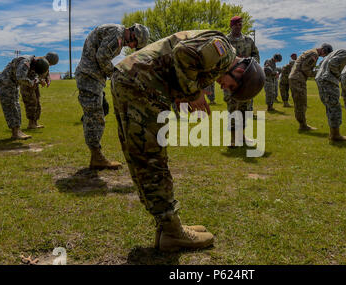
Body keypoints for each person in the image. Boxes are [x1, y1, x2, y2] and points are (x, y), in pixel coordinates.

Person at [110, 30, 265, 252]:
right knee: (151, 158)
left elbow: (177, 64)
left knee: (142, 154)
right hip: (141, 82)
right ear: (240, 70)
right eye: (231, 86)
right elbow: (183, 53)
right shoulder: (224, 51)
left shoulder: (220, 60)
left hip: (134, 79)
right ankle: (172, 232)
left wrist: (184, 94)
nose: (224, 87)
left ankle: (168, 226)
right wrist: (194, 94)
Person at [75, 23, 149, 170]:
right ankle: (96, 157)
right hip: (90, 77)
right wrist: (115, 75)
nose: (132, 47)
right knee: (95, 116)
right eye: (135, 44)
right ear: (134, 35)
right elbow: (102, 57)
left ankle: (96, 155)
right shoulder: (117, 35)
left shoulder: (116, 32)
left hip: (92, 77)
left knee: (97, 112)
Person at [225, 15, 260, 145]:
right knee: (233, 108)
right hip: (231, 80)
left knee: (245, 108)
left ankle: (242, 137)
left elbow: (255, 54)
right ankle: (233, 139)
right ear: (231, 25)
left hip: (246, 80)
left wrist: (252, 65)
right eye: (236, 24)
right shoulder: (225, 41)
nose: (239, 26)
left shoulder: (248, 40)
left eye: (240, 24)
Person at [0, 55, 49, 140]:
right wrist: (32, 83)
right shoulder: (26, 62)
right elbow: (21, 77)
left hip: (13, 83)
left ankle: (17, 131)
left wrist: (38, 80)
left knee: (16, 106)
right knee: (11, 106)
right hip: (5, 82)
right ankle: (15, 132)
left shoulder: (33, 63)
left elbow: (33, 76)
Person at [289, 43, 333, 131]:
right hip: (298, 79)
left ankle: (302, 124)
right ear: (324, 50)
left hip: (296, 78)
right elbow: (305, 69)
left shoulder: (311, 52)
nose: (323, 56)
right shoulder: (314, 54)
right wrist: (319, 74)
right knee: (301, 102)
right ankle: (303, 125)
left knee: (300, 102)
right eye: (325, 54)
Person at [315, 49, 346, 141]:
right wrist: (339, 77)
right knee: (334, 107)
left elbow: (324, 64)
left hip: (323, 79)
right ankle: (335, 135)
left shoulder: (338, 53)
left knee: (331, 107)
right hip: (328, 80)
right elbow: (332, 63)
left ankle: (333, 133)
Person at [20, 52, 59, 129]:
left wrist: (48, 80)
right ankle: (31, 124)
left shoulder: (45, 63)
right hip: (27, 85)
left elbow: (47, 74)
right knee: (31, 104)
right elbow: (32, 75)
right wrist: (40, 80)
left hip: (35, 85)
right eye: (51, 64)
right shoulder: (36, 62)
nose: (50, 66)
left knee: (37, 103)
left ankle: (35, 123)